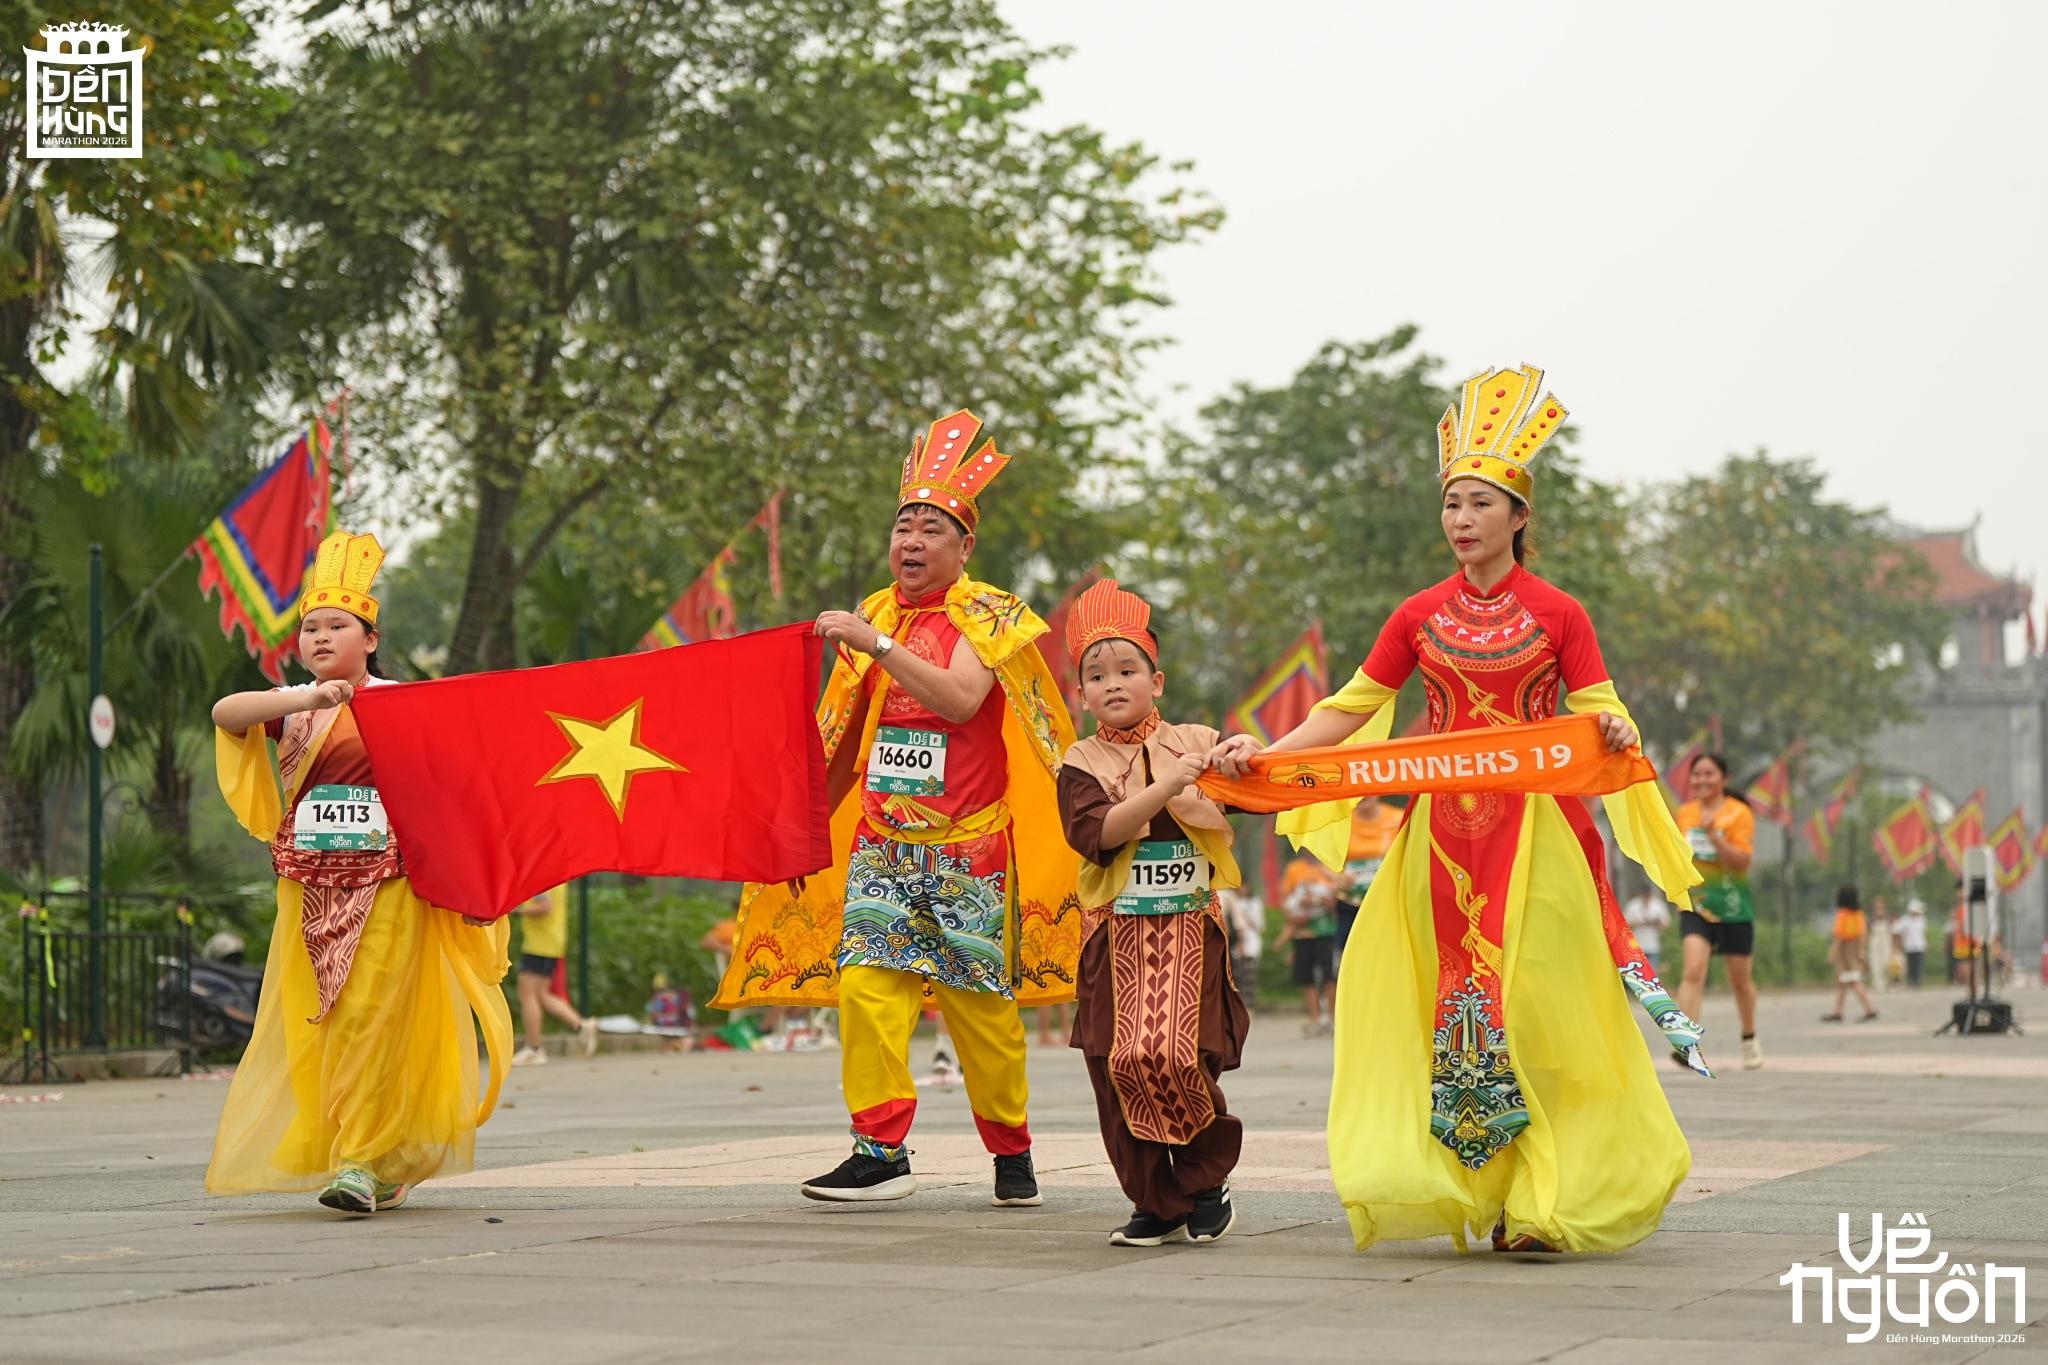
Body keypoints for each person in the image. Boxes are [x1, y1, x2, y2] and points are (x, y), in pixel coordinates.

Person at [1213, 364, 1707, 1256]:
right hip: (1436, 842)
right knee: (1450, 1011)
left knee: (1536, 1009)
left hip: (1539, 840)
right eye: (1452, 505)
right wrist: (1268, 755)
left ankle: (1543, 1197)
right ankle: (1474, 1190)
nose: (1462, 520)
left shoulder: (1560, 612)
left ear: (1520, 516)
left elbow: (1603, 706)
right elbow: (1349, 708)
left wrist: (1618, 735)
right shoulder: (1417, 614)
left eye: (1480, 503)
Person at [716, 409, 1079, 1207]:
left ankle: (1011, 1152)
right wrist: (798, 818)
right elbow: (847, 734)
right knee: (866, 993)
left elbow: (958, 701)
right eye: (902, 526)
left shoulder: (989, 616)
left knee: (981, 1017)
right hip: (884, 843)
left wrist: (876, 646)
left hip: (969, 848)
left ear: (964, 546)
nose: (911, 541)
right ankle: (878, 1147)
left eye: (931, 528)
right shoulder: (877, 612)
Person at [204, 529, 512, 1214]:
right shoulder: (297, 710)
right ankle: (369, 1151)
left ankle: (360, 1163)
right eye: (310, 627)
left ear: (370, 638)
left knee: (374, 1016)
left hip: (392, 887)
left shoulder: (406, 704)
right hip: (309, 890)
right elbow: (226, 714)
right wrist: (307, 701)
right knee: (325, 1021)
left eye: (336, 625)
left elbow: (459, 786)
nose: (319, 637)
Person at [1056, 579, 1250, 1246]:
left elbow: (1253, 790)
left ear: (1156, 679)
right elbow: (1098, 833)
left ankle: (1202, 1178)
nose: (1113, 683)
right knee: (1117, 1061)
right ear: (1081, 691)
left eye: (1127, 670)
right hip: (1115, 936)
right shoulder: (1078, 762)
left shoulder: (1195, 739)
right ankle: (1155, 1200)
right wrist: (1167, 785)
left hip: (1192, 927)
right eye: (1097, 674)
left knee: (1179, 1055)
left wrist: (1241, 753)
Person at [1675, 754, 1763, 1069]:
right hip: (1696, 905)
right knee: (1693, 970)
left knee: (1740, 981)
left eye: (1708, 774)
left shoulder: (1739, 814)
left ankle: (1749, 1037)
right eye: (1696, 775)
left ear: (1723, 778)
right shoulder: (1684, 814)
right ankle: (1686, 1042)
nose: (1701, 780)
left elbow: (1742, 862)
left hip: (1733, 906)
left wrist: (1713, 836)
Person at [511, 886, 599, 1065]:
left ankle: (534, 1048)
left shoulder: (539, 874)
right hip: (551, 941)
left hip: (539, 943)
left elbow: (545, 907)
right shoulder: (557, 874)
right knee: (541, 994)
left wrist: (517, 910)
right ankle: (582, 1026)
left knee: (526, 994)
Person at [1278, 852, 1341, 1036]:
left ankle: (1332, 1018)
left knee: (1330, 976)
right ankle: (1316, 1019)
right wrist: (1293, 916)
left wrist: (1328, 903)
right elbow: (1286, 899)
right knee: (1307, 978)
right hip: (1302, 933)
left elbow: (1341, 900)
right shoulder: (1294, 869)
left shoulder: (1331, 867)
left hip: (1326, 931)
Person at [1334, 795, 1404, 957]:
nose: (1362, 796)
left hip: (1388, 900)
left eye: (1366, 791)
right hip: (1351, 901)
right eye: (1355, 792)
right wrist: (1336, 876)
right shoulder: (1339, 823)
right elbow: (1323, 861)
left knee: (1388, 952)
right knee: (1351, 954)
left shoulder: (1398, 817)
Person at [1821, 884, 1878, 1022]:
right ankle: (1837, 1012)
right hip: (1855, 947)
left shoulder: (1842, 915)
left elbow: (1839, 936)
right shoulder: (1859, 914)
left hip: (1845, 949)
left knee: (1853, 980)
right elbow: (1863, 933)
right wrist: (1861, 950)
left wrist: (1832, 953)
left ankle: (1869, 1009)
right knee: (1843, 982)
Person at [1218, 884, 1264, 1009]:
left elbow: (1238, 922)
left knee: (1236, 976)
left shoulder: (1227, 895)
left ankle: (1239, 1005)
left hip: (1224, 940)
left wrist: (1241, 943)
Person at [1622, 880, 1671, 974]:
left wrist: (1655, 923)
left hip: (1653, 944)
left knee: (1652, 973)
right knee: (1639, 973)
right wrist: (1637, 923)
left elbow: (1666, 924)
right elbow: (1625, 924)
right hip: (1637, 944)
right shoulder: (1633, 905)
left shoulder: (1658, 905)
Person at [1896, 898, 1929, 988]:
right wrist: (1899, 943)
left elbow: (1924, 933)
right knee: (1910, 965)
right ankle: (1911, 981)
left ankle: (1918, 981)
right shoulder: (1904, 920)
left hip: (1919, 946)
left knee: (1918, 964)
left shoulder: (1922, 919)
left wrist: (1926, 943)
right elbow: (1897, 932)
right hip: (1909, 946)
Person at [1866, 894, 1895, 992]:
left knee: (1886, 961)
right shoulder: (1871, 917)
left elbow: (1891, 930)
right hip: (1874, 942)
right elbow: (1868, 930)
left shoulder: (1887, 916)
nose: (1879, 908)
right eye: (1877, 906)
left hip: (1885, 941)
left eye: (1880, 906)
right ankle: (1877, 984)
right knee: (1875, 962)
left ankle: (1886, 982)